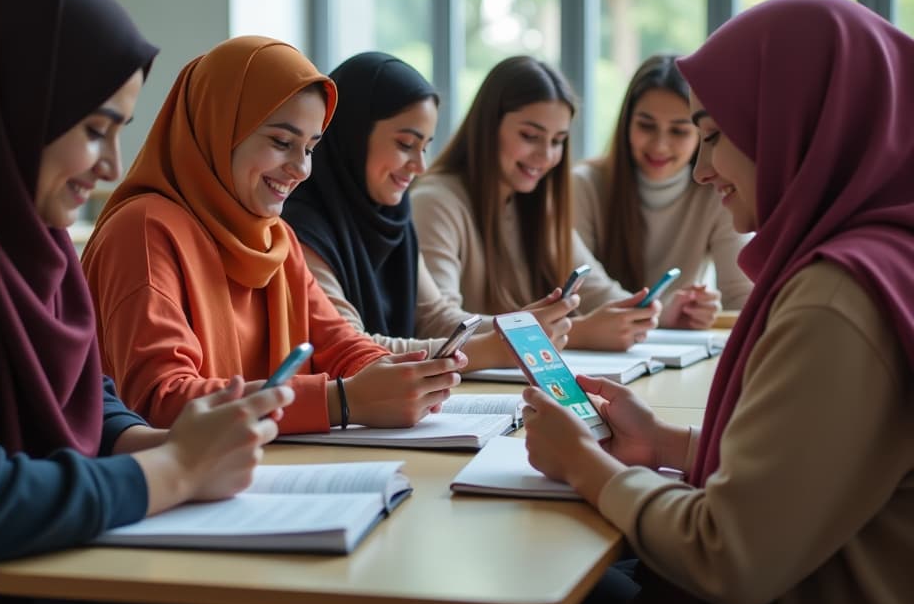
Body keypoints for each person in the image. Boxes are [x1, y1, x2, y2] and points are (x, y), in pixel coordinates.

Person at [0, 0, 293, 604]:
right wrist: (175, 471)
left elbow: (85, 393)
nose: (110, 168)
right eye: (94, 130)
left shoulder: (31, 237)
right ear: (12, 107)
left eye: (120, 132)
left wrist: (161, 440)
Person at [522, 0, 914, 604]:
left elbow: (726, 555)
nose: (700, 169)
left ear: (794, 124)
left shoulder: (837, 297)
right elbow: (816, 466)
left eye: (710, 136)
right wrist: (669, 445)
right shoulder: (888, 254)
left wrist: (583, 467)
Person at [83, 37, 464, 434]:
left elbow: (337, 341)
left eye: (311, 148)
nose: (301, 169)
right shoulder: (144, 230)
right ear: (219, 129)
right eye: (282, 143)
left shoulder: (274, 237)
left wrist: (396, 375)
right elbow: (161, 400)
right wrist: (344, 400)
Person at [281, 51, 575, 369]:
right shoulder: (301, 227)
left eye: (425, 147)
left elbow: (435, 317)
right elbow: (353, 348)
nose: (420, 166)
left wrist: (520, 329)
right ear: (354, 134)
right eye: (406, 144)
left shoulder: (392, 214)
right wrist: (489, 350)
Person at [411, 55, 660, 352]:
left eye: (558, 141)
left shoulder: (537, 204)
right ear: (489, 127)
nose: (546, 156)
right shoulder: (434, 202)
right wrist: (576, 332)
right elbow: (442, 324)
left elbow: (600, 292)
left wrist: (642, 312)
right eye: (530, 136)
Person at [573, 54, 752, 327]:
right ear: (626, 124)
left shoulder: (717, 192)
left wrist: (707, 311)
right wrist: (662, 315)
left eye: (679, 131)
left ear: (702, 135)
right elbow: (584, 292)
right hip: (596, 350)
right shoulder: (584, 185)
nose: (660, 146)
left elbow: (742, 298)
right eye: (646, 126)